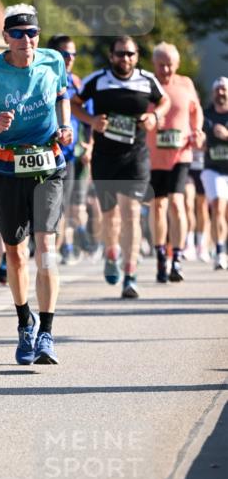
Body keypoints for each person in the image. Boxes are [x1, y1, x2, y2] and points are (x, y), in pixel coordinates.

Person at [0, 4, 73, 365]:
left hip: (47, 164)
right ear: (6, 38)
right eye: (19, 34)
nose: (27, 40)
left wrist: (65, 126)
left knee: (46, 246)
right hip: (6, 167)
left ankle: (47, 334)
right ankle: (25, 321)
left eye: (33, 33)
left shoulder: (53, 61)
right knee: (15, 252)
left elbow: (61, 96)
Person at [72, 36, 170, 299]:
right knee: (110, 216)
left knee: (131, 213)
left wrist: (154, 116)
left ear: (136, 56)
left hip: (135, 156)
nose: (124, 58)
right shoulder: (97, 80)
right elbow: (74, 104)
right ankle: (112, 251)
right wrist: (92, 120)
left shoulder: (147, 80)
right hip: (105, 157)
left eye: (130, 54)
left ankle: (130, 273)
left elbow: (165, 101)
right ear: (111, 55)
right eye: (120, 54)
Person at [146, 43, 204, 283]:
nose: (166, 70)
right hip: (152, 156)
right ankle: (161, 254)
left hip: (181, 153)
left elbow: (196, 109)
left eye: (170, 65)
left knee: (178, 204)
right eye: (161, 65)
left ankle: (177, 256)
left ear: (177, 65)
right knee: (158, 206)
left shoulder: (186, 83)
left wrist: (197, 129)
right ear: (154, 64)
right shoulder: (147, 83)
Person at [48, 35, 85, 264]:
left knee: (64, 204)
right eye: (64, 54)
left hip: (69, 153)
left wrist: (88, 144)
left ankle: (62, 247)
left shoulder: (77, 83)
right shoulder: (43, 78)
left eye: (73, 54)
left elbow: (86, 115)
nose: (70, 58)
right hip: (44, 150)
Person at [201, 77, 228, 270]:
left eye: (224, 89)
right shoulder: (206, 115)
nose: (221, 93)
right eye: (218, 89)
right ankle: (219, 252)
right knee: (217, 207)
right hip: (212, 169)